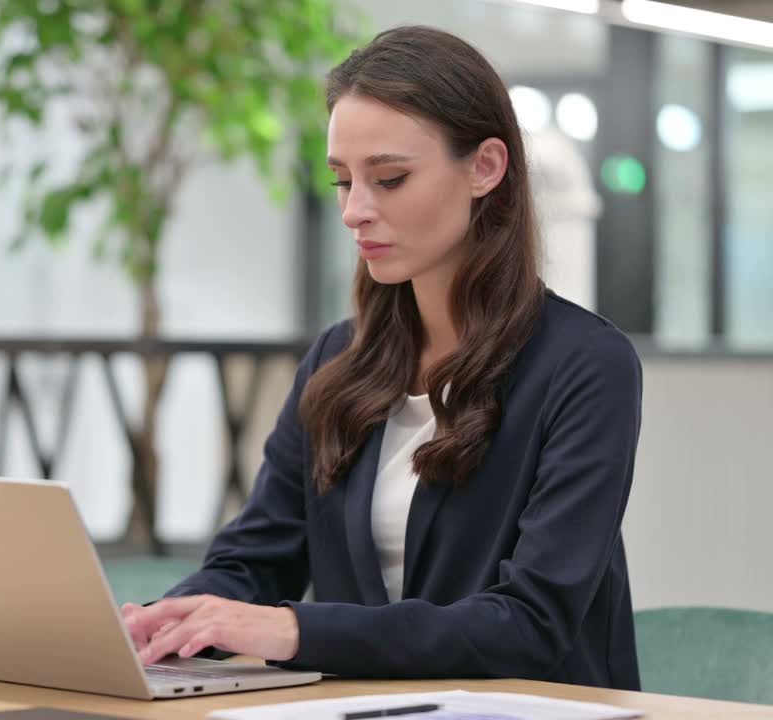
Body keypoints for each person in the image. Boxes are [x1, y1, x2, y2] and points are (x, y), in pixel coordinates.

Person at [121, 25, 642, 690]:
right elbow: (253, 560)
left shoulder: (586, 367)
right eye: (343, 181)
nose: (355, 211)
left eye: (389, 179)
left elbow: (528, 625)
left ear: (485, 167)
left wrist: (291, 629)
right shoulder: (339, 360)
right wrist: (177, 621)